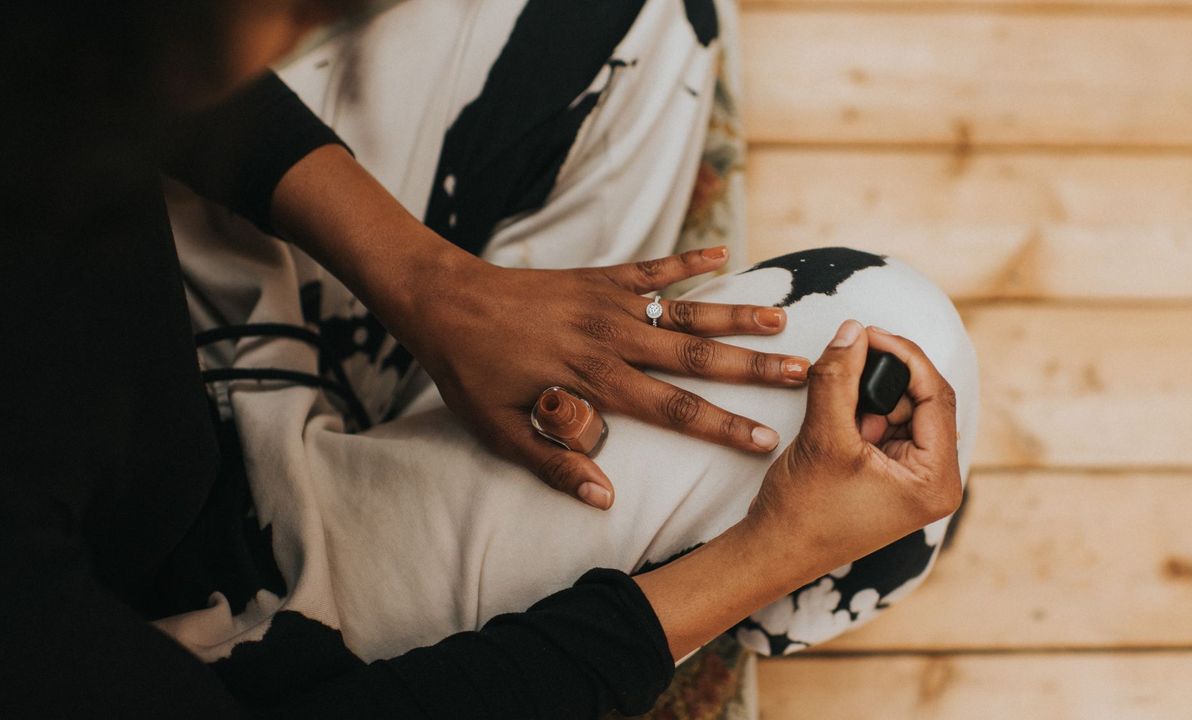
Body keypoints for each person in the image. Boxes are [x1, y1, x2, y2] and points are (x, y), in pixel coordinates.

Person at [1, 2, 971, 718]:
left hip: (189, 335)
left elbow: (118, 47)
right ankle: (763, 585)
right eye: (306, 17)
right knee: (880, 347)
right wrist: (762, 559)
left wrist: (432, 286)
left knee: (655, 16)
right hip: (214, 610)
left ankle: (450, 415)